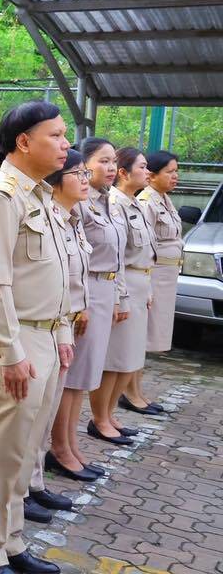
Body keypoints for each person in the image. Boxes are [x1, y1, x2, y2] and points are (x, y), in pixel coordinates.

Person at [0, 100, 73, 574]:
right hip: (15, 339)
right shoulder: (1, 196)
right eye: (56, 135)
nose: (66, 144)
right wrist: (10, 352)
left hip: (43, 336)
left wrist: (62, 328)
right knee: (1, 450)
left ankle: (10, 541)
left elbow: (57, 273)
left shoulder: (40, 195)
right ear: (24, 142)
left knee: (25, 449)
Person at [26, 149, 95, 524]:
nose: (85, 180)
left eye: (86, 173)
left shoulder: (71, 219)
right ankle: (21, 489)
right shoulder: (45, 215)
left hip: (62, 325)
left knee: (45, 413)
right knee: (31, 416)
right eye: (78, 173)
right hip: (41, 324)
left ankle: (34, 481)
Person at [47, 138, 123, 476]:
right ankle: (61, 447)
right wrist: (81, 304)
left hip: (97, 293)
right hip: (83, 295)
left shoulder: (102, 201)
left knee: (82, 377)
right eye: (102, 161)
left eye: (113, 161)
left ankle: (70, 444)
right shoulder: (74, 203)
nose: (110, 168)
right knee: (73, 377)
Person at [91, 148, 156, 444]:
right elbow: (116, 256)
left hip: (139, 283)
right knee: (115, 360)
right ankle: (100, 418)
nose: (147, 172)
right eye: (142, 166)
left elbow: (147, 252)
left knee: (129, 358)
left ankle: (110, 415)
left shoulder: (135, 204)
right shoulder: (114, 202)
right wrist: (122, 295)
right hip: (122, 283)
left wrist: (148, 289)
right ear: (124, 173)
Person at [121, 151, 180, 415]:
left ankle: (138, 390)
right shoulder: (146, 201)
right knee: (141, 338)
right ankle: (130, 392)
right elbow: (141, 246)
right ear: (153, 175)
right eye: (169, 171)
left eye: (176, 171)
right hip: (151, 276)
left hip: (164, 279)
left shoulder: (164, 199)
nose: (175, 176)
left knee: (148, 337)